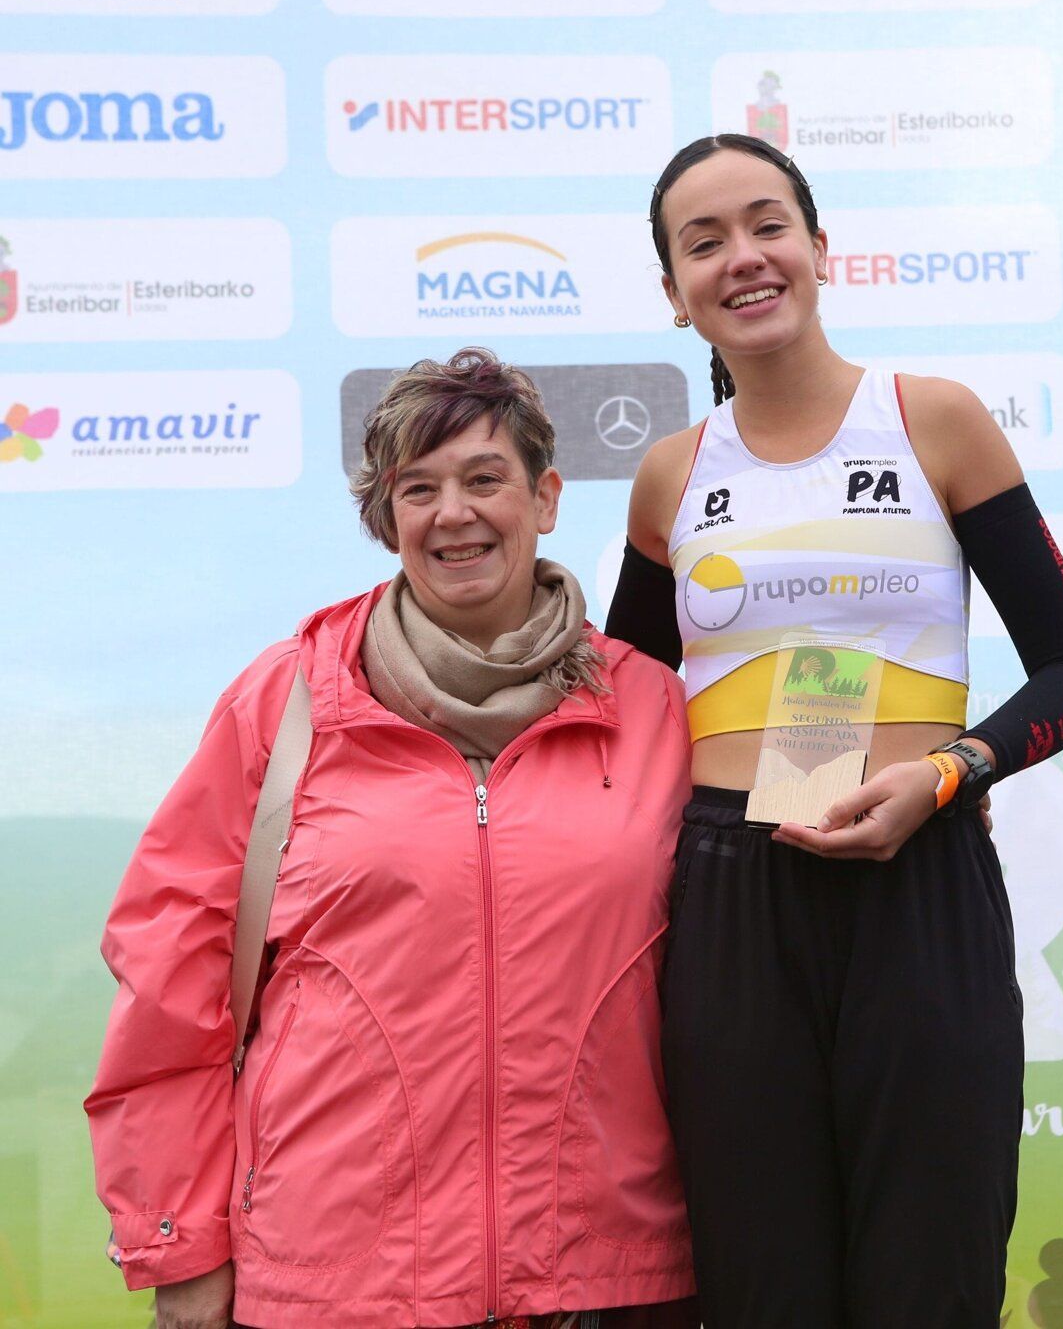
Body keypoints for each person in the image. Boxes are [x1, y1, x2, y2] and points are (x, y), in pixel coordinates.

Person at [86, 349, 701, 1329]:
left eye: (484, 479)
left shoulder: (653, 707)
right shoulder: (283, 702)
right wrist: (181, 1244)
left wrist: (925, 791)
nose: (453, 512)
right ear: (388, 519)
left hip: (606, 1278)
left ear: (544, 498)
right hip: (336, 1282)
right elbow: (170, 978)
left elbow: (755, 923)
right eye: (418, 488)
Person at [606, 134, 1063, 1328]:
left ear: (821, 251)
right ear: (674, 296)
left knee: (927, 1282)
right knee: (760, 1292)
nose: (743, 257)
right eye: (703, 241)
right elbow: (618, 708)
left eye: (767, 224)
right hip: (732, 896)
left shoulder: (934, 420)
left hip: (919, 875)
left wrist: (952, 772)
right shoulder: (667, 476)